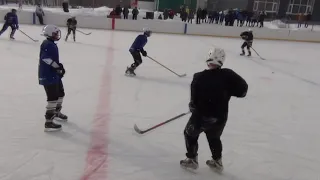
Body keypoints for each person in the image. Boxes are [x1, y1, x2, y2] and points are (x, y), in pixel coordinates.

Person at [180, 48, 248, 171]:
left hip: (202, 116)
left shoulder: (199, 77)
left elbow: (193, 100)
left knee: (189, 133)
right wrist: (227, 91)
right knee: (214, 137)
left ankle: (192, 159)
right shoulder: (228, 74)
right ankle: (217, 161)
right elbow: (243, 90)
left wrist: (193, 105)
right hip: (220, 117)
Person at [39, 25, 68, 132]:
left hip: (54, 75)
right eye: (55, 33)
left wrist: (59, 67)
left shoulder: (51, 44)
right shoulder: (48, 44)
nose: (57, 35)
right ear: (50, 34)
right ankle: (48, 122)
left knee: (61, 93)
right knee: (52, 98)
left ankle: (56, 112)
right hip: (48, 75)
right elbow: (45, 58)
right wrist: (57, 67)